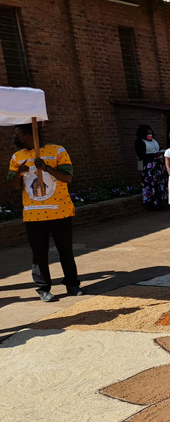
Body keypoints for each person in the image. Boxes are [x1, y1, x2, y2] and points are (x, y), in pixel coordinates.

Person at [8, 122, 84, 301]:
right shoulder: (17, 157)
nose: (15, 138)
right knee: (39, 252)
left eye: (17, 135)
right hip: (33, 214)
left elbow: (68, 177)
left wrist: (47, 168)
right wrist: (19, 173)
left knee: (65, 249)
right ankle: (43, 289)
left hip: (60, 211)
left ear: (28, 135)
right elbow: (13, 185)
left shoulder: (57, 151)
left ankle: (72, 284)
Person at [135, 125, 167, 208]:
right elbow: (141, 155)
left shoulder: (154, 141)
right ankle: (151, 203)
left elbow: (159, 148)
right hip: (148, 168)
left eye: (151, 133)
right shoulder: (139, 142)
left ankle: (159, 202)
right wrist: (153, 155)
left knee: (159, 184)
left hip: (158, 167)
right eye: (148, 133)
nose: (150, 135)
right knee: (150, 185)